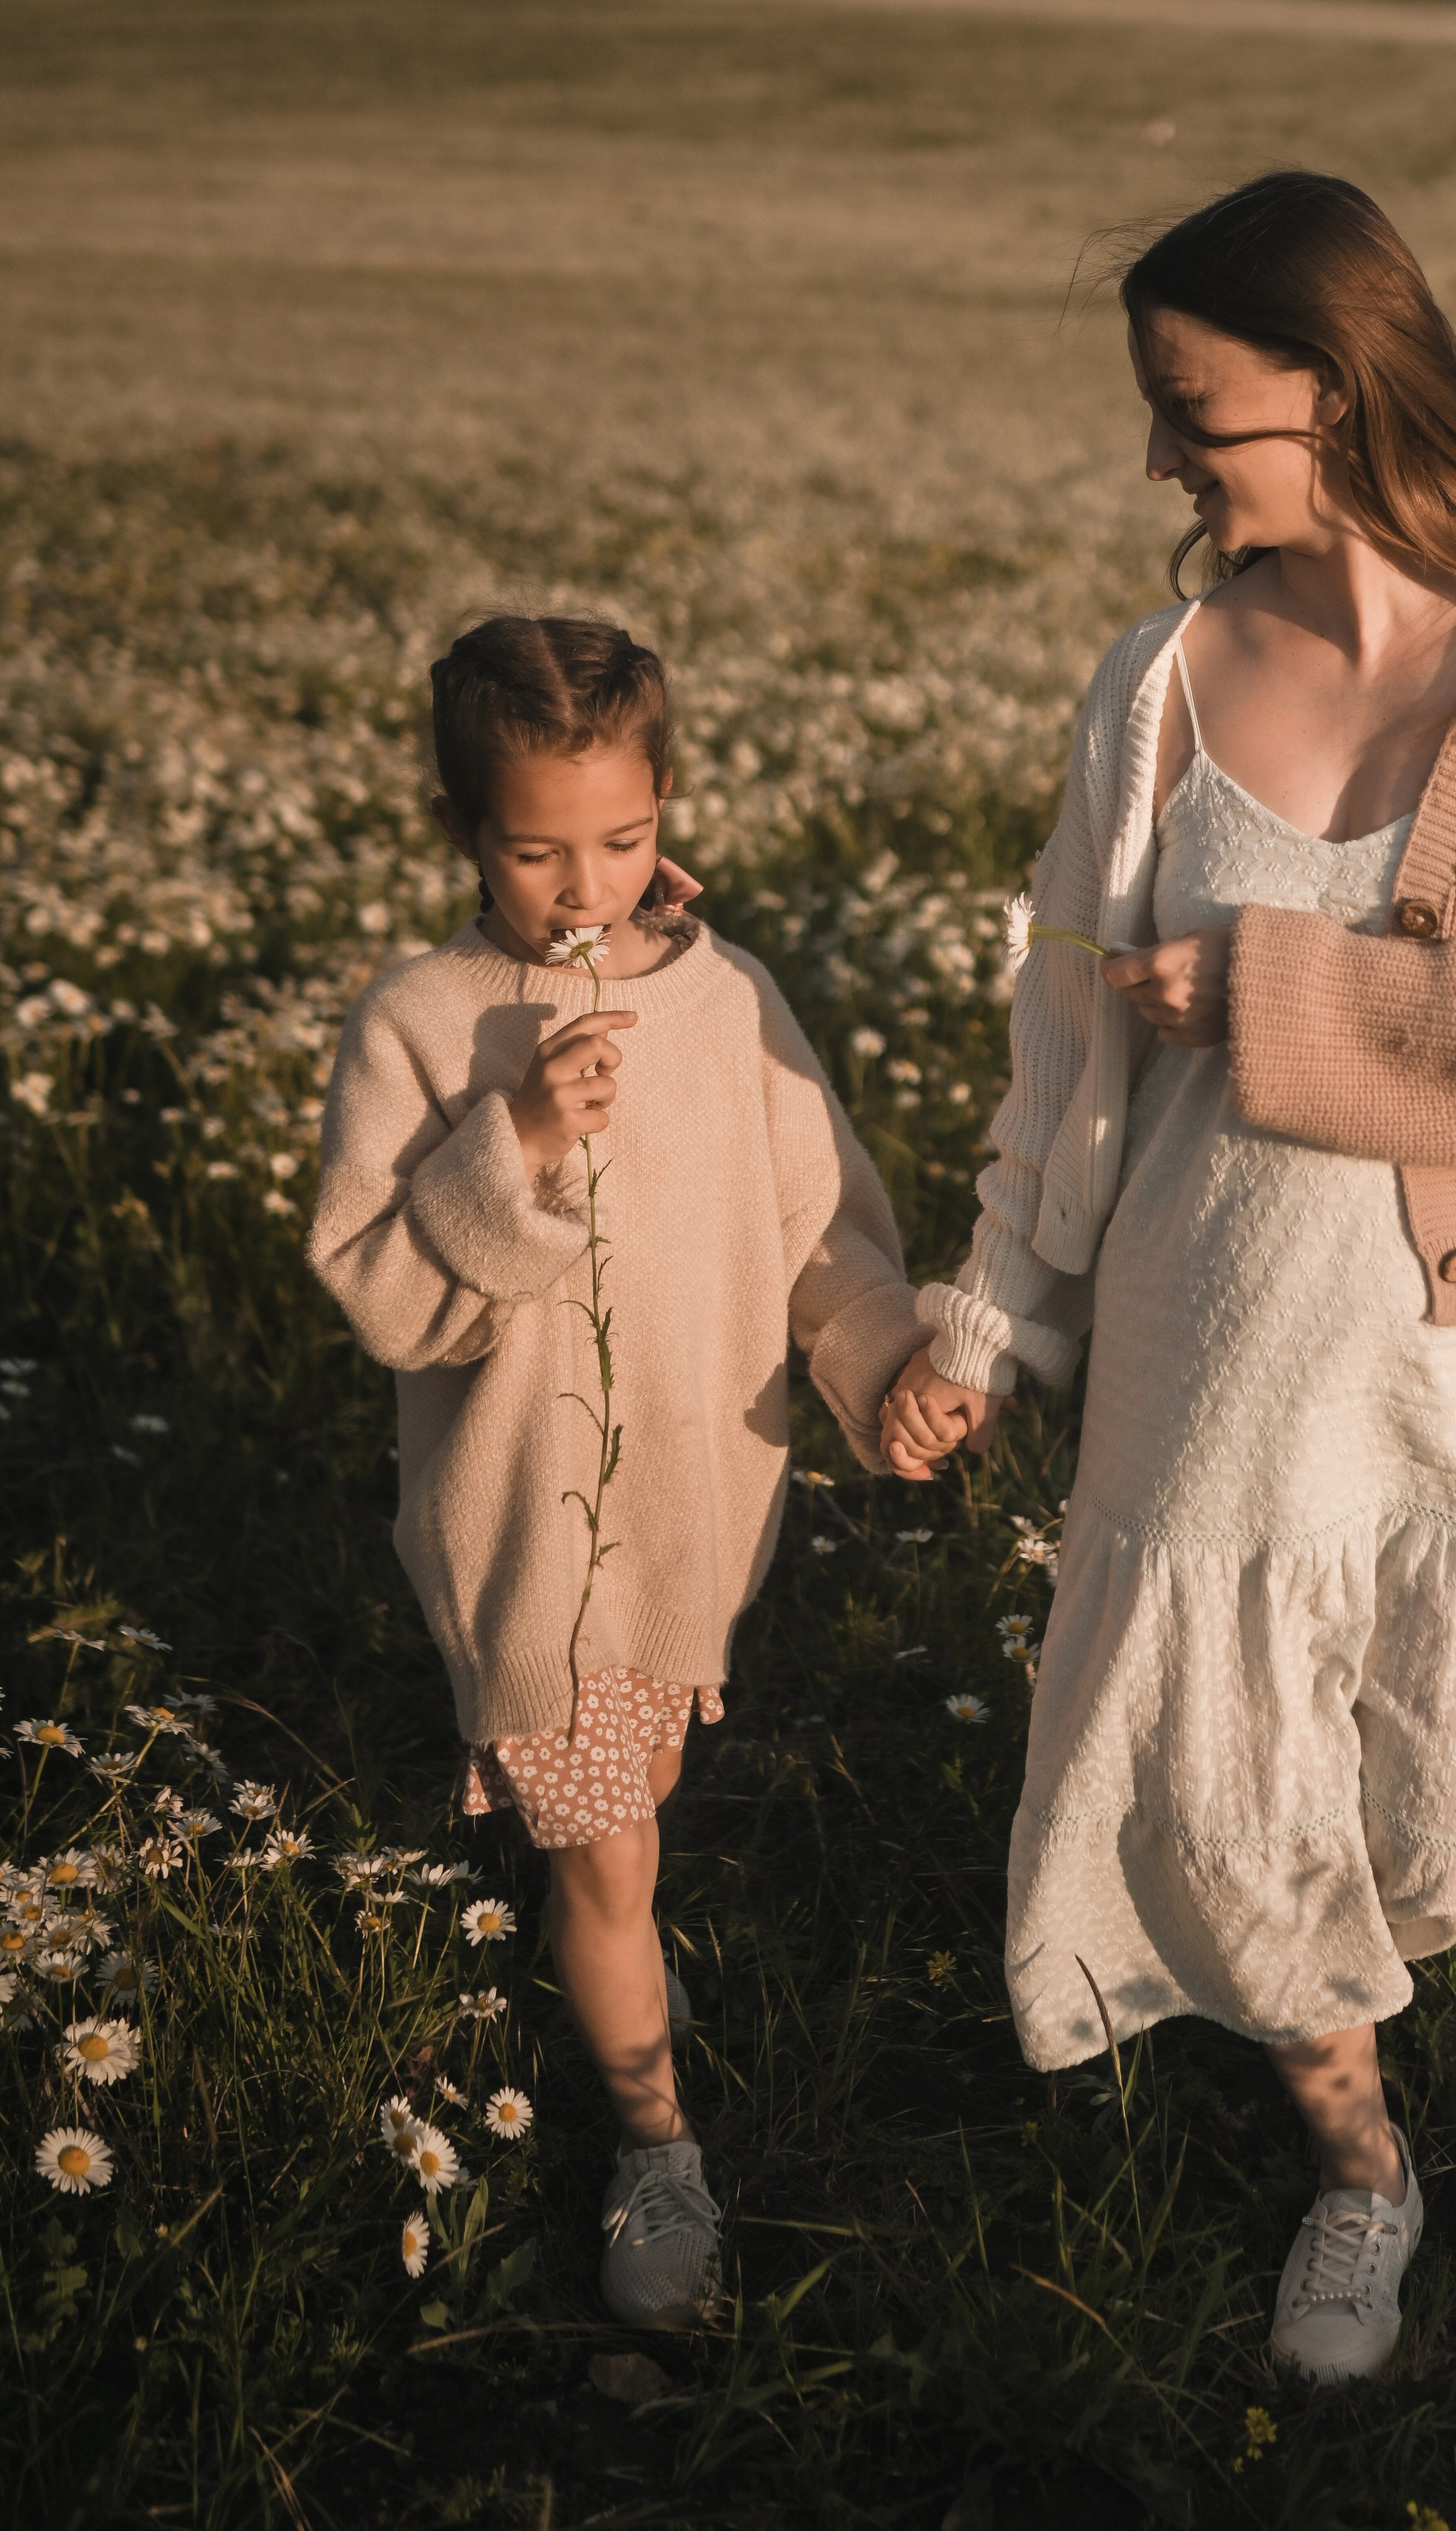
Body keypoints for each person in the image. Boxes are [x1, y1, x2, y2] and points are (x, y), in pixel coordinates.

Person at [879, 171, 1456, 2383]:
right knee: (1233, 1783)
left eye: (1193, 408)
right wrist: (996, 1306)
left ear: (1335, 392)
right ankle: (1364, 2171)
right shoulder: (1155, 686)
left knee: (1449, 1802)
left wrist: (1270, 989)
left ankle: (1347, 2006)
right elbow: (1063, 1026)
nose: (1162, 457)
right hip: (1209, 1342)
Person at [311, 616, 927, 2325]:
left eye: (622, 836)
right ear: (460, 832)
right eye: (531, 848)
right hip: (528, 1545)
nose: (583, 881)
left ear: (667, 805)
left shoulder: (726, 1002)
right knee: (609, 1859)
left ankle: (610, 1983)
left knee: (631, 1810)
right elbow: (385, 1294)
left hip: (691, 1523)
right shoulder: (427, 1022)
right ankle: (657, 2149)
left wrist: (886, 1366)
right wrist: (505, 1145)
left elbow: (817, 1232)